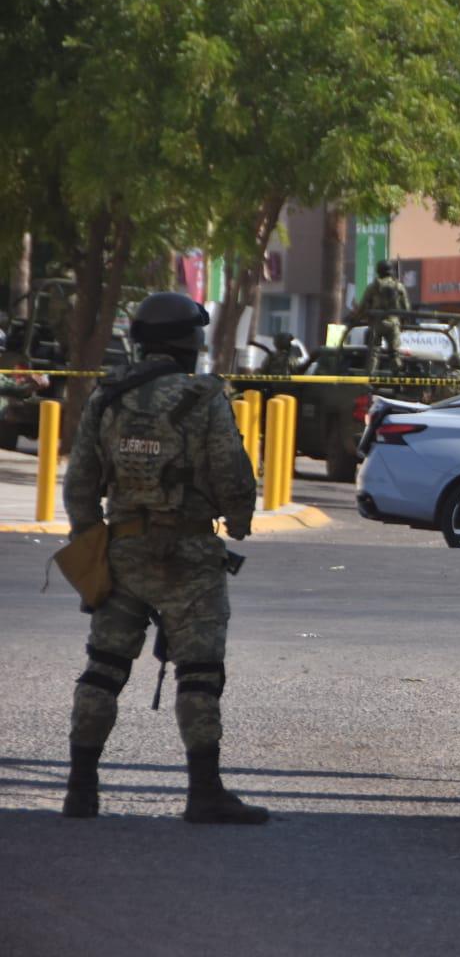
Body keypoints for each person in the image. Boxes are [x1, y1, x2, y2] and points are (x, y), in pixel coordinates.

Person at [60, 291, 266, 824]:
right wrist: (239, 523)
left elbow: (79, 483)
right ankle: (204, 793)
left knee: (103, 669)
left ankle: (81, 789)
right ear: (189, 344)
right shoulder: (204, 397)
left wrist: (92, 544)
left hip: (122, 552)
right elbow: (232, 475)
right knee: (198, 673)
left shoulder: (108, 398)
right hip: (191, 557)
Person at [349, 260, 409, 376]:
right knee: (394, 353)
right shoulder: (399, 286)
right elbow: (406, 307)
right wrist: (405, 322)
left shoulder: (373, 287)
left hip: (377, 322)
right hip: (393, 322)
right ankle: (397, 377)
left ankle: (370, 377)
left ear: (378, 271)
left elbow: (363, 306)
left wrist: (356, 319)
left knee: (374, 352)